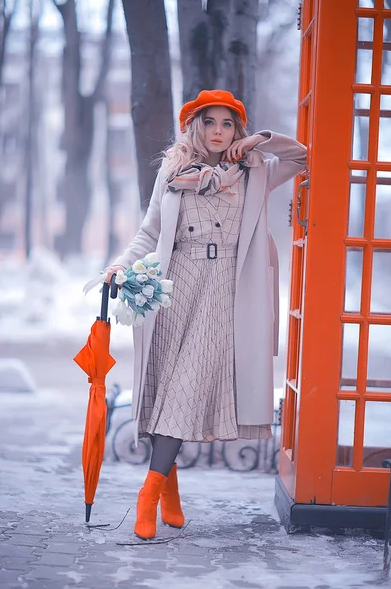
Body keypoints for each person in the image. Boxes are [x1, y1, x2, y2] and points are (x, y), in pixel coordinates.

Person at [104, 89, 307, 540]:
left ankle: (149, 492)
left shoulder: (254, 170)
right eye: (210, 122)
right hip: (176, 285)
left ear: (238, 129)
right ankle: (168, 489)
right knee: (165, 389)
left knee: (185, 387)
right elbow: (150, 230)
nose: (218, 132)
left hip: (224, 291)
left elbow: (302, 157)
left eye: (228, 124)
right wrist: (120, 264)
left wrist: (260, 141)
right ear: (195, 126)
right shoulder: (173, 172)